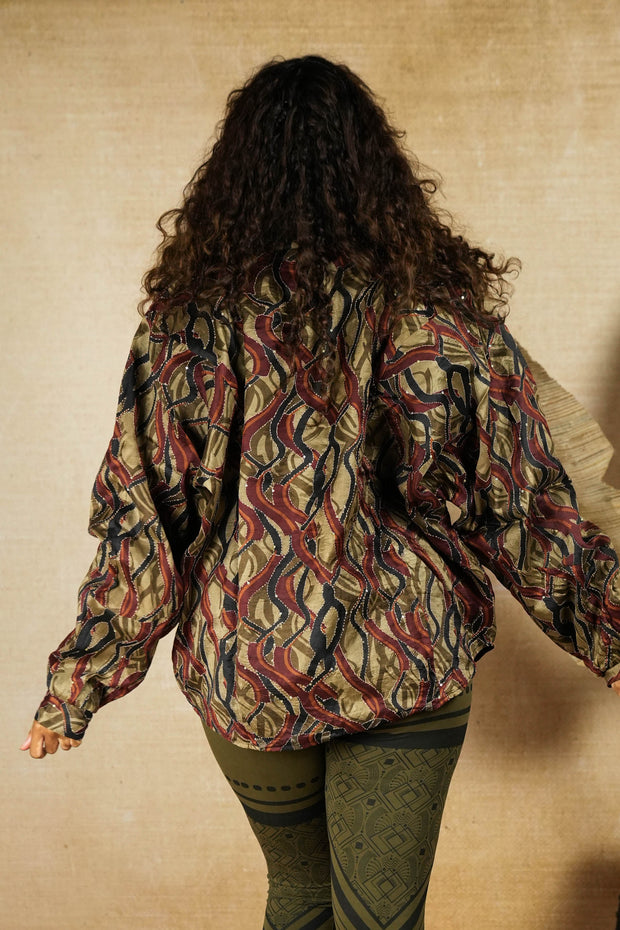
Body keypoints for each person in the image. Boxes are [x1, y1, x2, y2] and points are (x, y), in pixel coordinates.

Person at [21, 55, 620, 930]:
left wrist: (80, 683)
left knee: (299, 903)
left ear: (235, 175)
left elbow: (146, 519)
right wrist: (610, 630)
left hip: (250, 664)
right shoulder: (439, 319)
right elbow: (519, 502)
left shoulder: (187, 328)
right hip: (405, 660)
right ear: (376, 170)